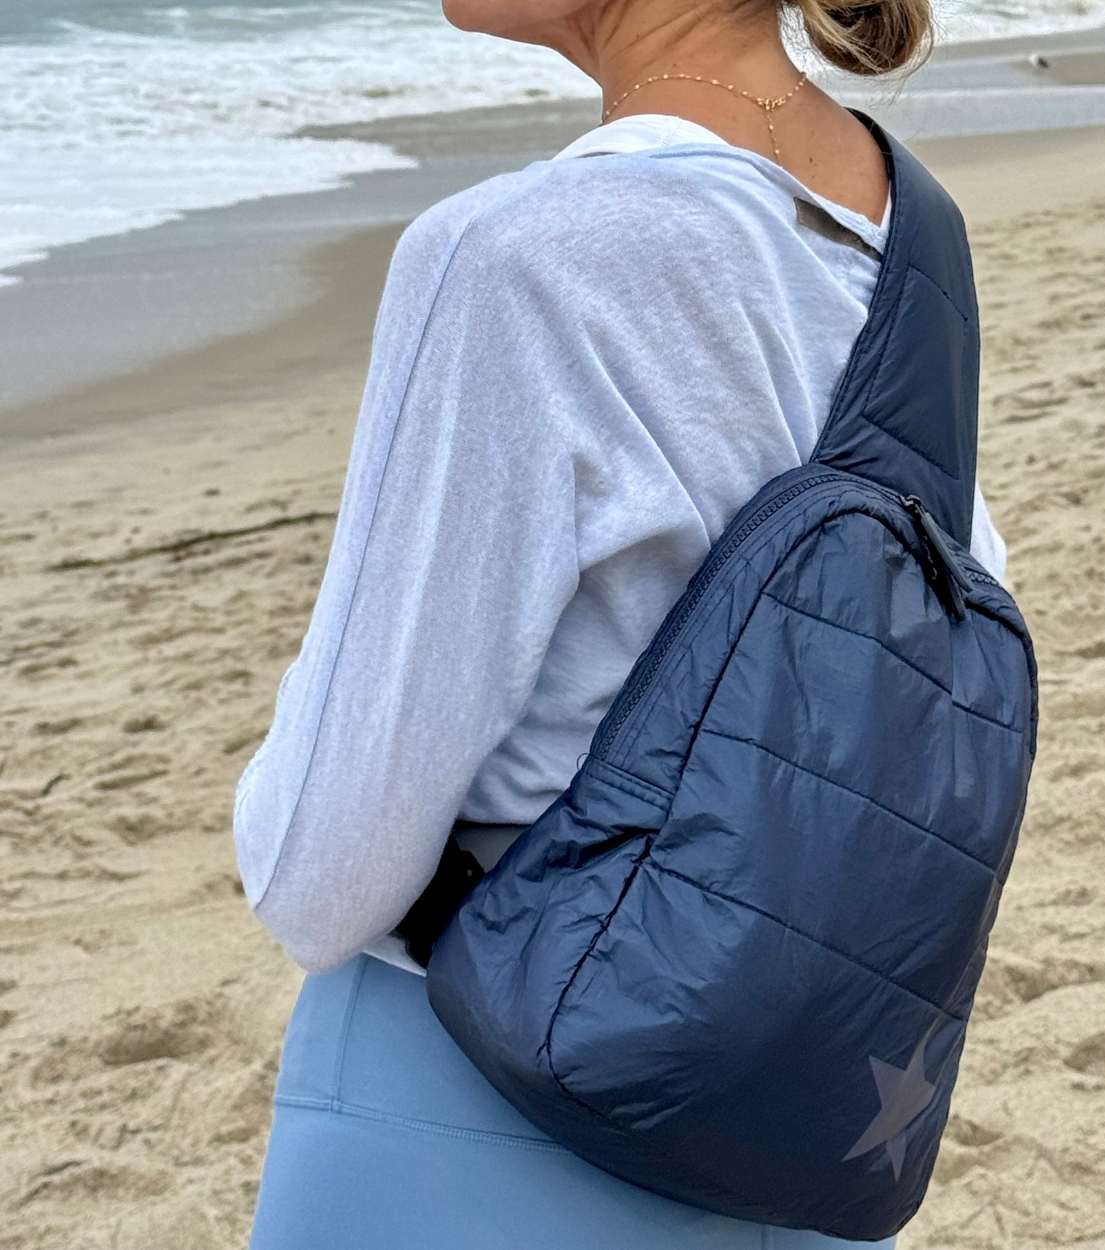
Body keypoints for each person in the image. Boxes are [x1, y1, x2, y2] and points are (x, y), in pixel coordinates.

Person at [233, 0, 1008, 1245]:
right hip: (802, 1104)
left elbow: (320, 877)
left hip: (480, 1087)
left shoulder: (514, 256)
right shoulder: (907, 236)